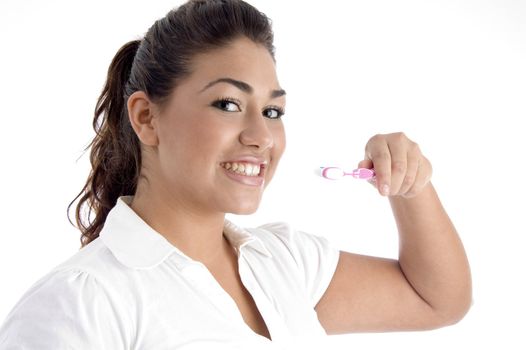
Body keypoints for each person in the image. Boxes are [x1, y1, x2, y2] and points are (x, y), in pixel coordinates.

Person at [0, 0, 472, 348]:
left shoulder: (283, 262)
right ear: (146, 117)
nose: (261, 136)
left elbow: (437, 300)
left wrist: (411, 185)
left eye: (272, 110)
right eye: (228, 103)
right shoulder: (82, 303)